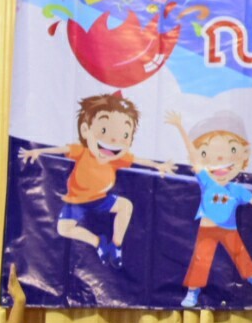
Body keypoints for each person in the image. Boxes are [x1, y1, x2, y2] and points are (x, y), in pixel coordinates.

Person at [18, 92, 175, 269]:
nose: (113, 140)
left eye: (125, 135)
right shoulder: (82, 151)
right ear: (86, 130)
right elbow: (61, 149)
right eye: (104, 131)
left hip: (100, 200)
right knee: (64, 229)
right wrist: (37, 151)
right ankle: (98, 242)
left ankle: (116, 246)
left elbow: (139, 160)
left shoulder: (118, 159)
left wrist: (158, 166)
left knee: (126, 205)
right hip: (76, 202)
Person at [166, 110, 252, 308]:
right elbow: (194, 156)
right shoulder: (206, 181)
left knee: (241, 255)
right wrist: (180, 128)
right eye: (207, 154)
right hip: (207, 230)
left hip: (229, 230)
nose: (220, 161)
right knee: (200, 260)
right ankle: (193, 292)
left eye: (231, 152)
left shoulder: (237, 190)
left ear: (244, 156)